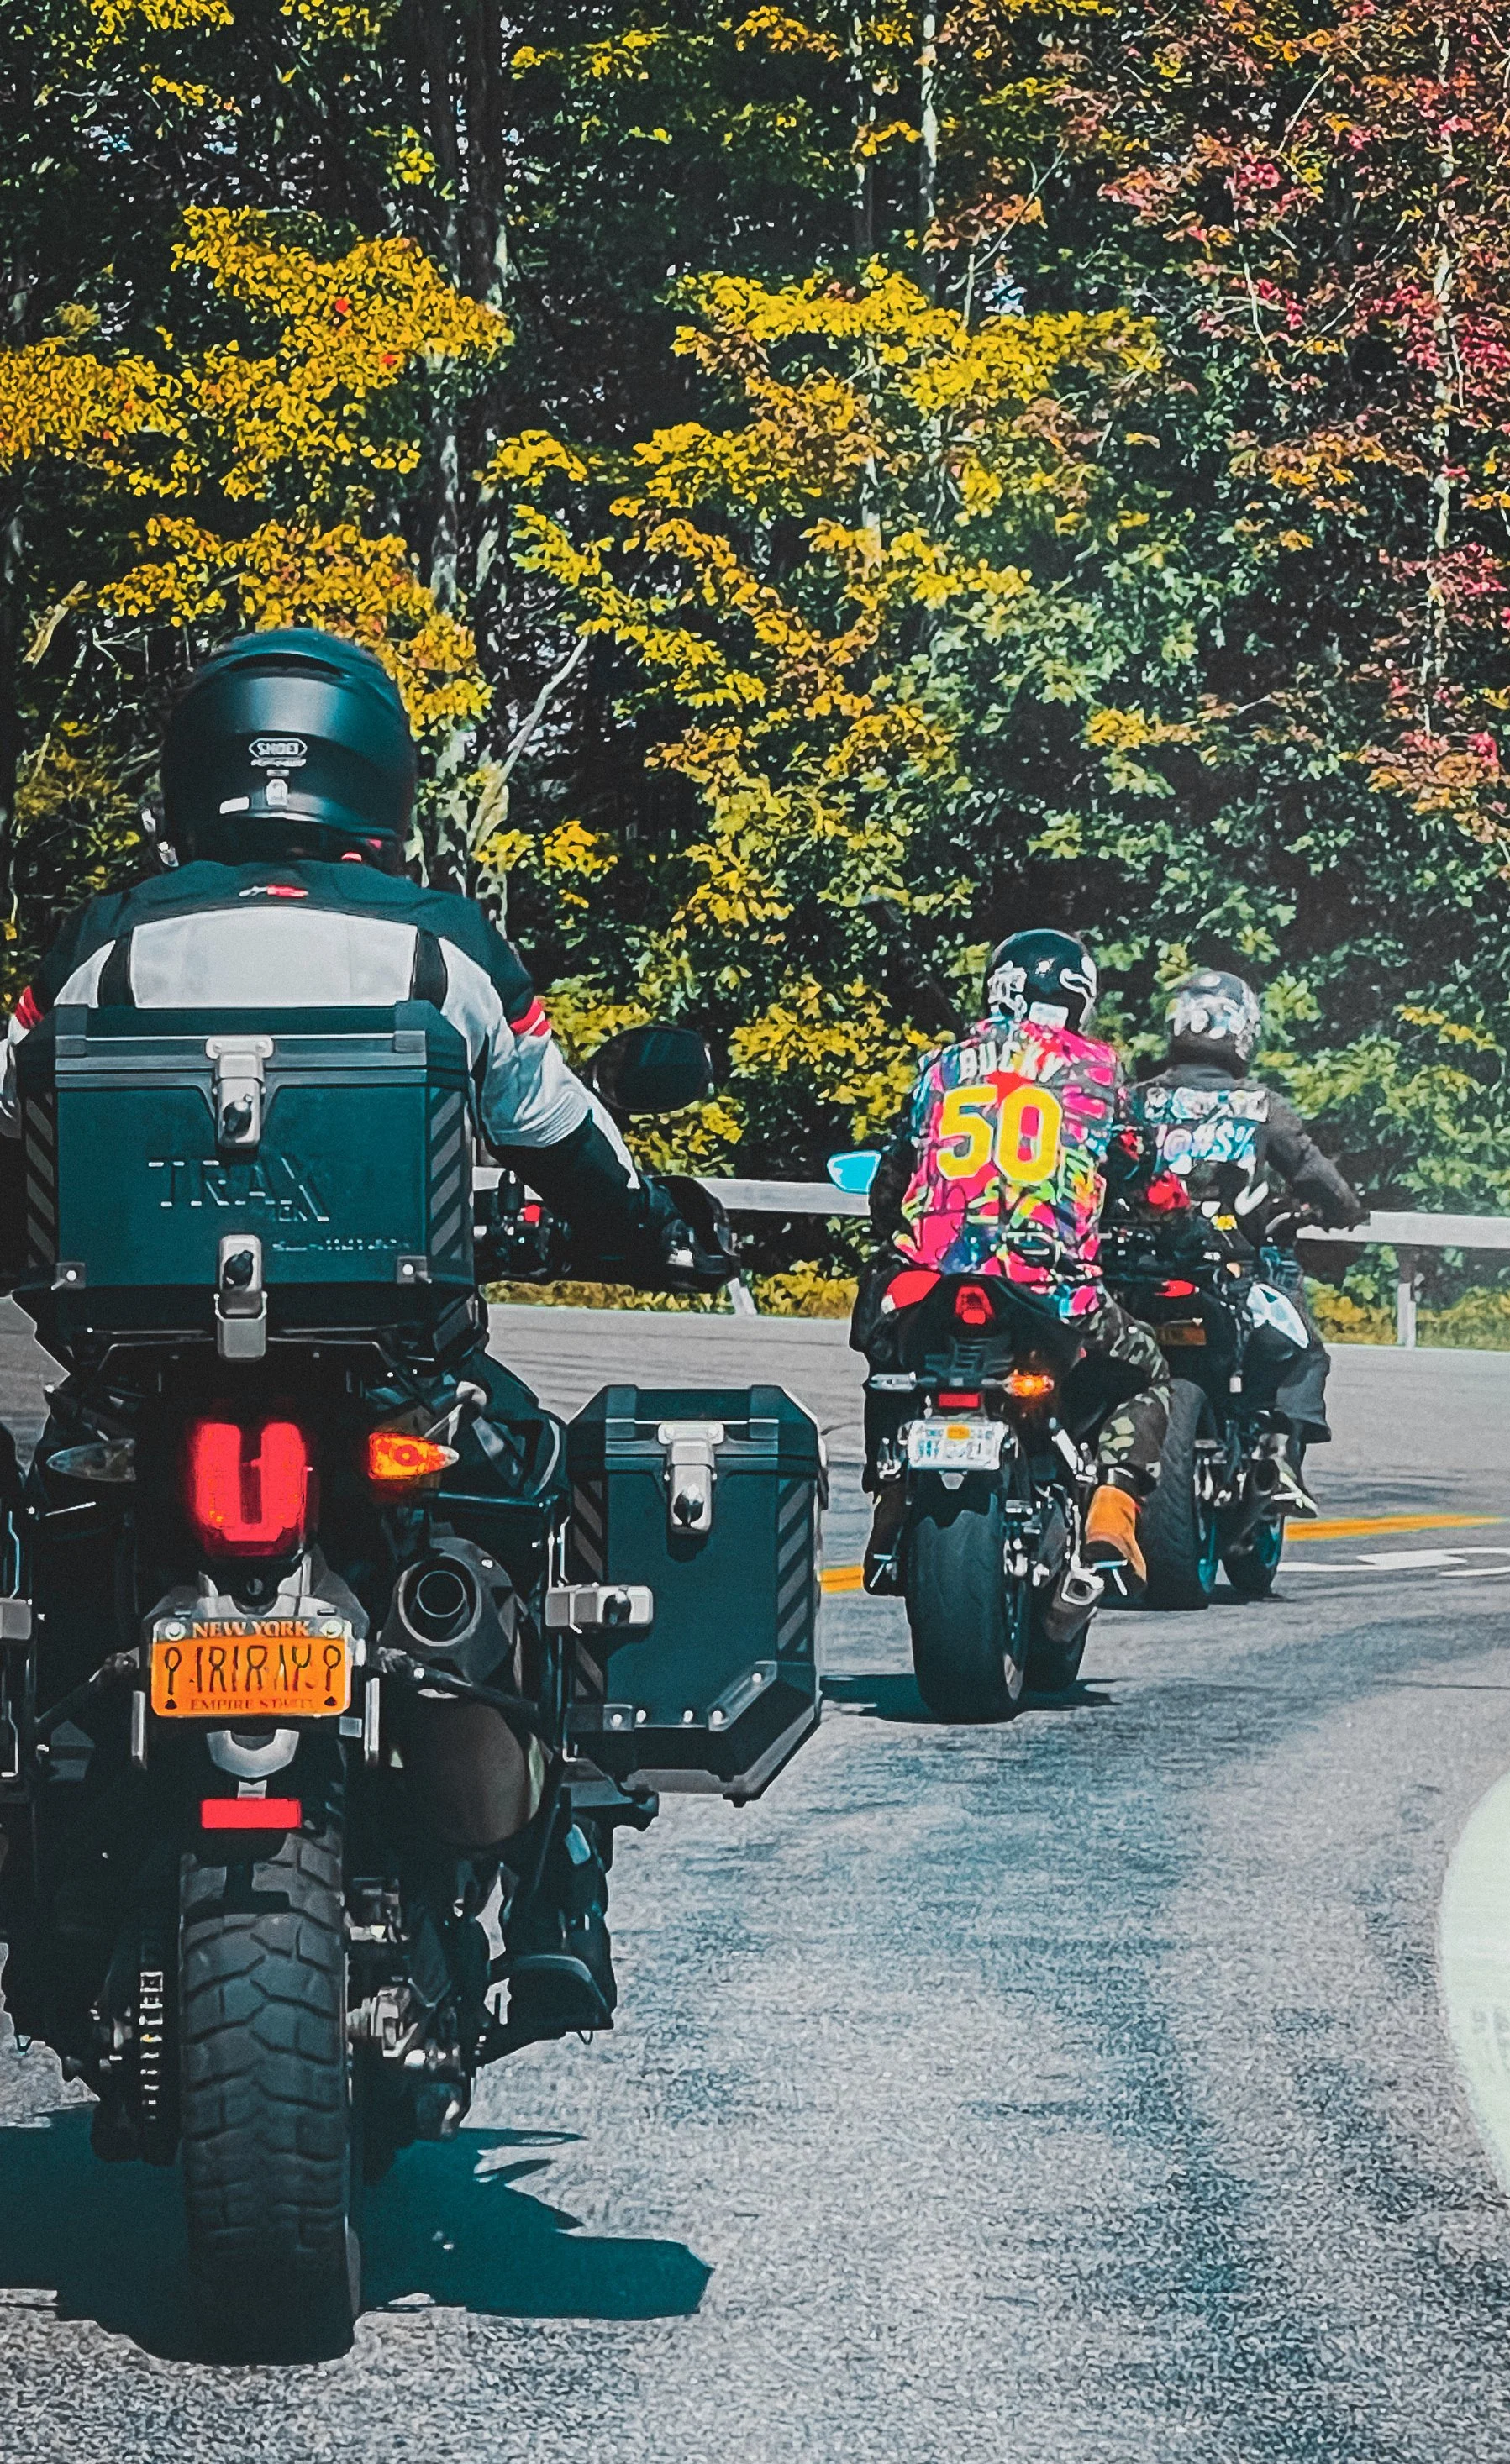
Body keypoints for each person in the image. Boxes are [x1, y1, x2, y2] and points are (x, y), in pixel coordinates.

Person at [0, 627, 688, 2027]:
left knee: (51, 1579)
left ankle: (54, 1889)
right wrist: (652, 1220)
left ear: (200, 772)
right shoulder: (443, 943)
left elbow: (18, 1107)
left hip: (142, 1388)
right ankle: (562, 1886)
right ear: (370, 772)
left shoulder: (102, 943)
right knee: (545, 1490)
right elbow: (554, 1120)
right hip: (390, 1384)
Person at [858, 927, 1172, 1592]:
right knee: (1146, 1372)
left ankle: (889, 1494)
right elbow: (1140, 1170)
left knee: (888, 1360)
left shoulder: (940, 1067)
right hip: (1050, 1284)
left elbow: (891, 1181)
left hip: (931, 1281)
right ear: (1078, 998)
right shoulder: (1099, 1069)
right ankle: (1113, 1510)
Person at [1129, 967, 1366, 1511]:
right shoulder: (1259, 1105)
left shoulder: (1135, 1100)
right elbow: (1315, 1174)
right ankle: (1278, 1458)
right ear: (1242, 1028)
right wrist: (1347, 1209)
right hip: (1230, 1270)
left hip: (1136, 1271)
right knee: (1303, 1353)